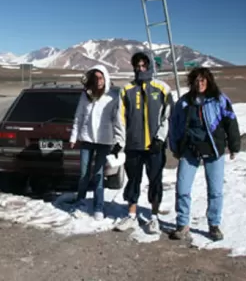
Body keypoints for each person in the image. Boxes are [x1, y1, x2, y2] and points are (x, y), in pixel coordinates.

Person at [168, 67, 241, 241]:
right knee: (182, 188)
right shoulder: (184, 102)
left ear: (208, 81)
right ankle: (182, 224)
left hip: (214, 148)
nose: (199, 84)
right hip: (190, 149)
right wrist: (176, 148)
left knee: (215, 190)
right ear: (191, 82)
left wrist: (234, 145)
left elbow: (231, 122)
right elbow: (174, 126)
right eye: (196, 80)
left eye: (203, 80)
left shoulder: (219, 100)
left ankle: (214, 225)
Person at [114, 51, 173, 234]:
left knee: (155, 181)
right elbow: (120, 119)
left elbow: (168, 117)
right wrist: (119, 141)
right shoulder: (127, 90)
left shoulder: (162, 88)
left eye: (143, 66)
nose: (140, 69)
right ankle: (131, 215)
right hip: (134, 145)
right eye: (137, 66)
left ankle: (154, 217)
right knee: (133, 180)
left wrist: (160, 138)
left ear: (149, 66)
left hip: (155, 146)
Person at [69, 64, 122, 221]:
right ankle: (80, 202)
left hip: (104, 141)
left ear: (106, 78)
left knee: (99, 175)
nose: (99, 81)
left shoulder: (112, 97)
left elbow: (117, 120)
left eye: (101, 77)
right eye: (96, 77)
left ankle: (99, 207)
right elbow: (78, 116)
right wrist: (73, 137)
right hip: (86, 139)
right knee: (84, 174)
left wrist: (119, 140)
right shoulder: (85, 95)